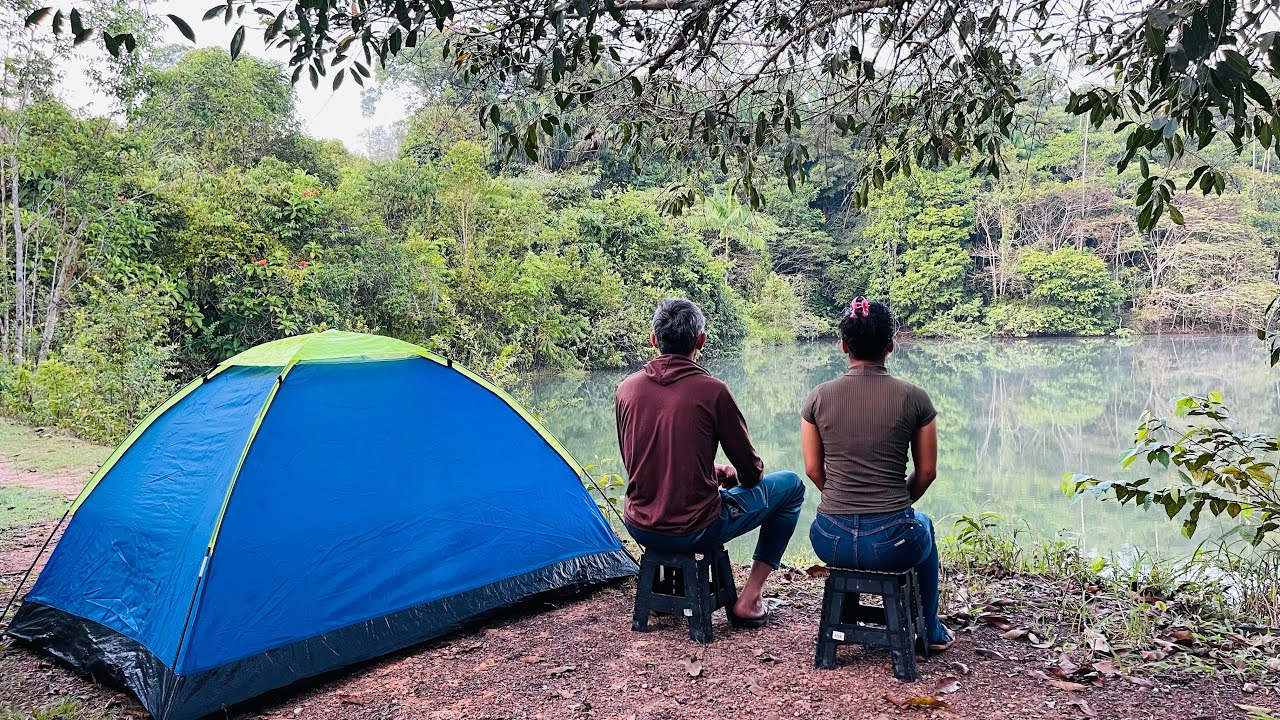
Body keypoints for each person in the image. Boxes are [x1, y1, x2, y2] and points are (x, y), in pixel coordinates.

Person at [616, 298, 805, 627]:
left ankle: (663, 598)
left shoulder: (626, 389)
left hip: (640, 525)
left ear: (654, 339)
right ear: (700, 340)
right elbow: (751, 472)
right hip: (695, 528)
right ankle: (750, 599)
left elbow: (640, 462)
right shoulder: (712, 391)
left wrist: (708, 471)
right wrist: (732, 476)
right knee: (792, 487)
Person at [800, 297, 954, 651]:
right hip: (891, 541)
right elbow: (926, 472)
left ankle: (846, 627)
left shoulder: (817, 398)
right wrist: (896, 503)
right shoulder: (915, 398)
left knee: (912, 523)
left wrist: (841, 497)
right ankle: (930, 628)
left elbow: (812, 469)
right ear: (891, 345)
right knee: (923, 523)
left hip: (829, 539)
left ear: (843, 346)